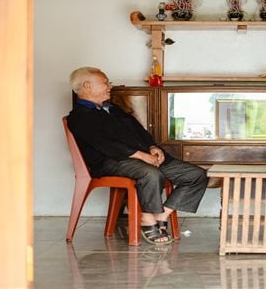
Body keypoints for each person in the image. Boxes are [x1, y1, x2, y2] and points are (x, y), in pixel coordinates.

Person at [67, 66, 208, 245]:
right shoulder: (78, 117)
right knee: (150, 173)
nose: (110, 86)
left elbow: (139, 130)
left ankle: (161, 214)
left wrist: (152, 146)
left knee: (195, 175)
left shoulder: (112, 109)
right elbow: (106, 145)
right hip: (112, 161)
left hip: (144, 157)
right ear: (87, 86)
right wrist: (141, 155)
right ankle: (147, 220)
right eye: (105, 82)